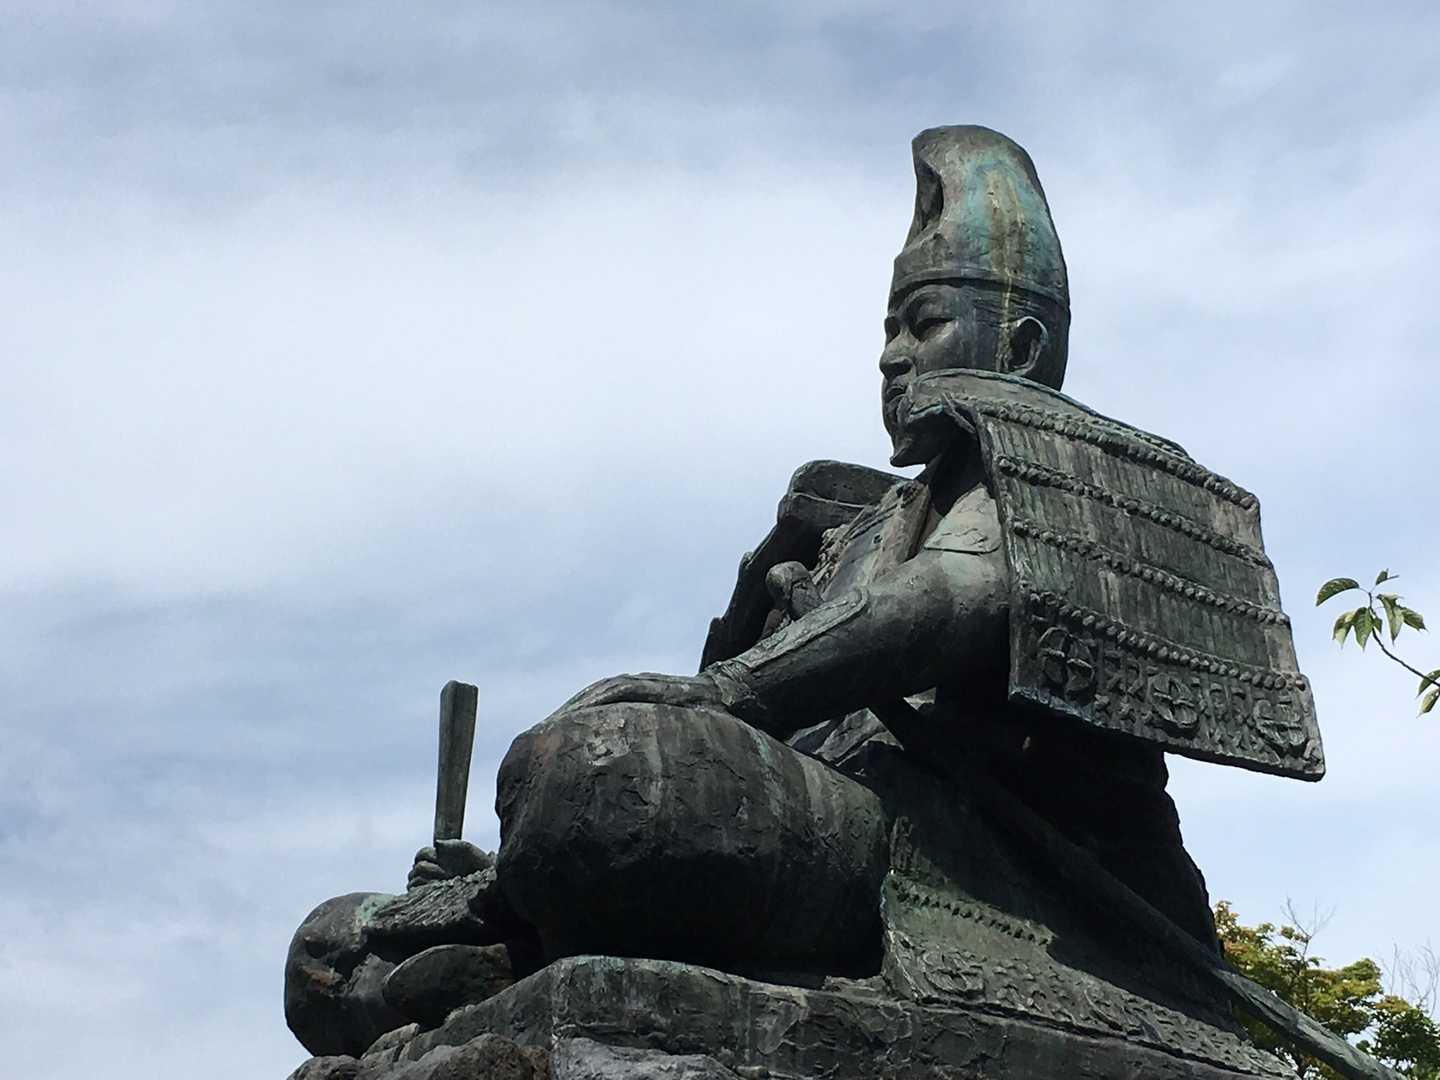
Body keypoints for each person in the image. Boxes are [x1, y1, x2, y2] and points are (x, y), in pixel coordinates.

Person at [286, 126, 1321, 1059]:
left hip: (953, 867)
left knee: (606, 776)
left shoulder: (1065, 477)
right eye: (889, 329)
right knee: (331, 945)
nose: (890, 356)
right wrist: (503, 864)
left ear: (1019, 348)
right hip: (832, 829)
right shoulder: (862, 532)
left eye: (923, 325)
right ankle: (506, 921)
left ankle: (535, 905)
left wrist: (727, 693)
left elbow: (957, 599)